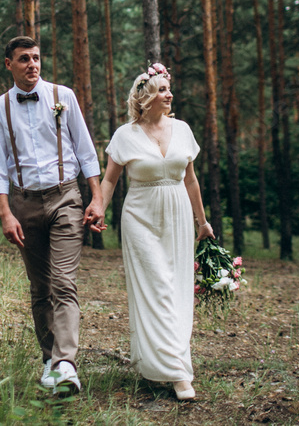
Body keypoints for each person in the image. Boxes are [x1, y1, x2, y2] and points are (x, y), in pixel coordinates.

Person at [0, 36, 106, 394]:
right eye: (24, 59)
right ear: (9, 64)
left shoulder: (62, 96)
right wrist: (6, 214)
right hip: (23, 204)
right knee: (40, 287)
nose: (32, 65)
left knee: (63, 282)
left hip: (65, 198)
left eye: (36, 58)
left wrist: (97, 198)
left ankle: (66, 363)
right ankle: (49, 360)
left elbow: (85, 151)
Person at [91, 63, 215, 401]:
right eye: (162, 90)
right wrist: (99, 207)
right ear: (145, 97)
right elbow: (110, 180)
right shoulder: (125, 135)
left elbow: (191, 180)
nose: (169, 94)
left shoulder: (183, 130)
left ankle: (163, 361)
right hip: (140, 218)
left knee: (176, 290)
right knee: (156, 287)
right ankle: (178, 373)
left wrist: (202, 222)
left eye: (168, 89)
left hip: (177, 217)